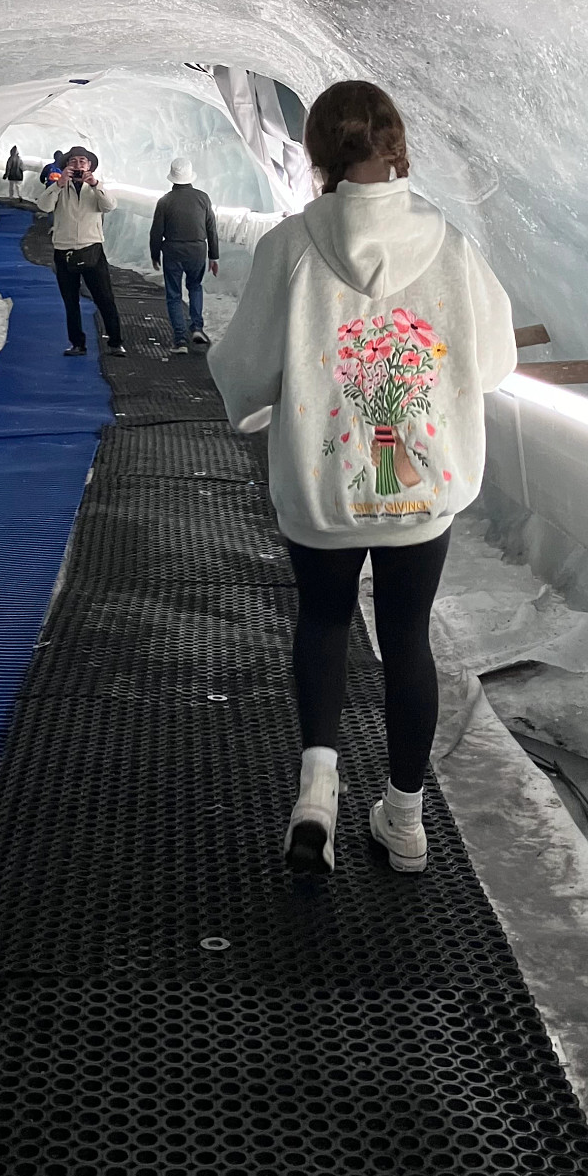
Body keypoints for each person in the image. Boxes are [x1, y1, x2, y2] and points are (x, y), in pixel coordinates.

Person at [208, 80, 515, 878]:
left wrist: (256, 408)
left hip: (321, 490)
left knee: (324, 623)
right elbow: (494, 360)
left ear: (318, 154)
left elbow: (244, 370)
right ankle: (405, 822)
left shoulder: (290, 247)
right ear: (397, 146)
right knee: (407, 640)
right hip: (421, 494)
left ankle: (317, 794)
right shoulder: (448, 245)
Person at [38, 144, 128, 358]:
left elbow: (109, 206)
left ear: (90, 166)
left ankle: (116, 342)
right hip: (64, 250)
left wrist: (95, 185)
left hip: (91, 249)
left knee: (105, 298)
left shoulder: (96, 188)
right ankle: (77, 343)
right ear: (66, 166)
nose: (78, 165)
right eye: (73, 162)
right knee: (71, 301)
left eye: (82, 162)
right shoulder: (60, 187)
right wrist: (59, 184)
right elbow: (44, 206)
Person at [149, 156, 219, 355]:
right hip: (197, 250)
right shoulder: (203, 198)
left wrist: (155, 254)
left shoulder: (165, 201)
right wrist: (214, 256)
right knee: (195, 287)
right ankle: (196, 328)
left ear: (172, 178)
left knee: (174, 294)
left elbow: (156, 231)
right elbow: (211, 229)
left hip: (172, 250)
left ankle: (180, 339)